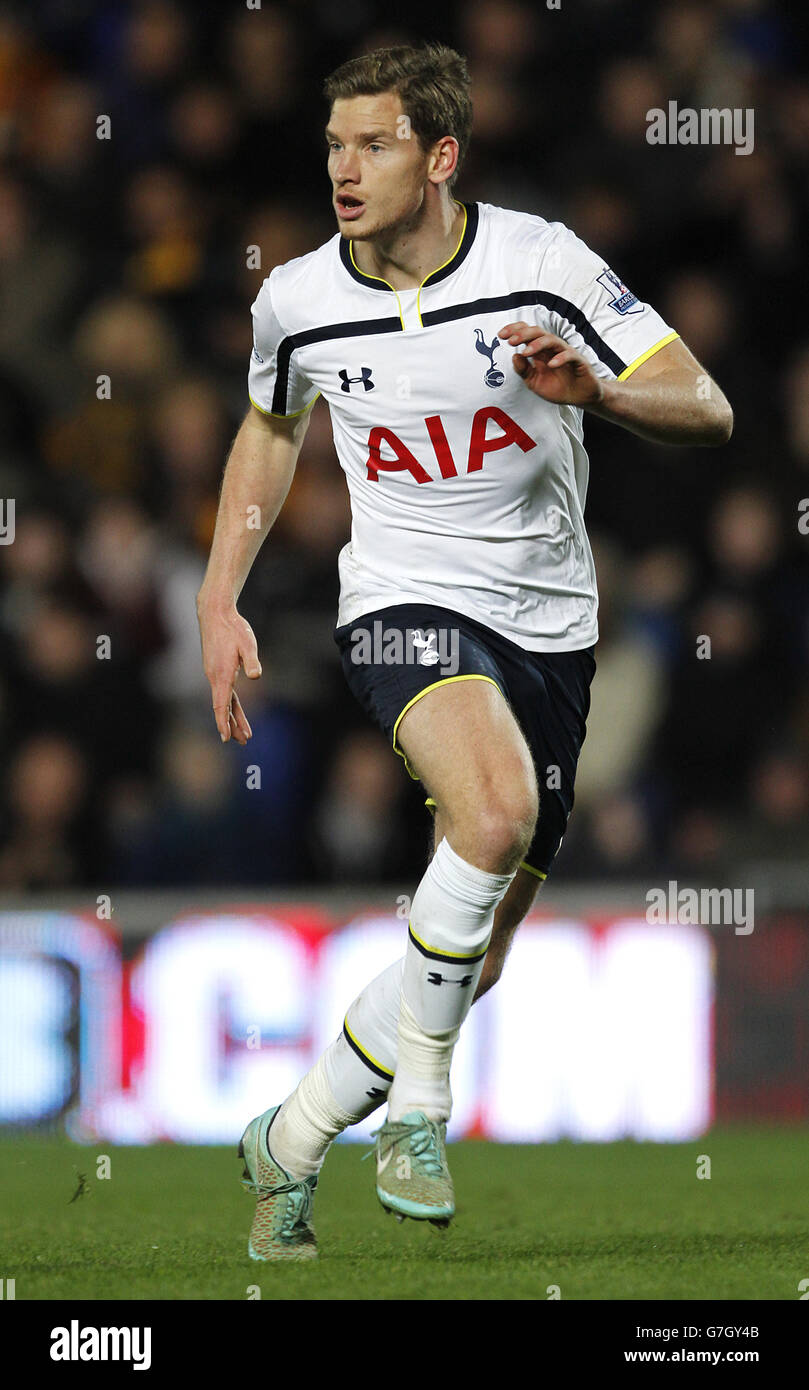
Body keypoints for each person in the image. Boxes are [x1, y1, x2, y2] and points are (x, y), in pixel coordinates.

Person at [196, 42, 733, 1261]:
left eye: (373, 143)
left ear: (438, 156)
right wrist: (219, 595)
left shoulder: (538, 266)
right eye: (333, 143)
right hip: (399, 601)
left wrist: (596, 392)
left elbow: (705, 405)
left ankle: (290, 1135)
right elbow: (271, 428)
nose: (343, 167)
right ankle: (419, 1115)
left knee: (471, 960)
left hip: (550, 630)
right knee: (485, 820)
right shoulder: (294, 298)